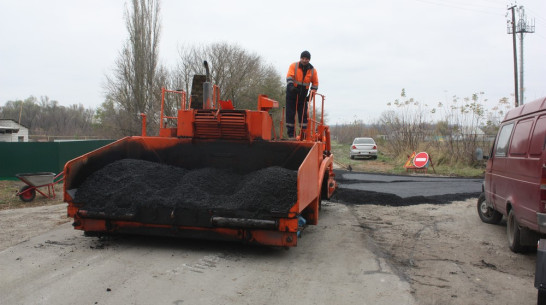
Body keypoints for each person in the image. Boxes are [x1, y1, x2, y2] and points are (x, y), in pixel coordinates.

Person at [285, 50, 319, 138]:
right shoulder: (293, 66)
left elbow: (315, 84)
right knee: (290, 114)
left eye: (306, 59)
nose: (304, 60)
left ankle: (303, 135)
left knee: (303, 116)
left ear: (309, 60)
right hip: (291, 94)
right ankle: (291, 135)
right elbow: (289, 77)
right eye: (303, 58)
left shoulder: (313, 71)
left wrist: (310, 96)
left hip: (303, 96)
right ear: (300, 58)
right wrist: (291, 87)